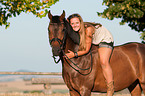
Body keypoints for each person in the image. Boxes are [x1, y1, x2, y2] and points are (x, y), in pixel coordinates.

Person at [65, 13, 114, 96]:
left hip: (104, 39)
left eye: (77, 23)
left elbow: (86, 50)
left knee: (103, 61)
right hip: (93, 40)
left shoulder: (88, 30)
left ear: (80, 22)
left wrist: (74, 54)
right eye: (72, 24)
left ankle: (110, 88)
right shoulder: (74, 31)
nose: (75, 25)